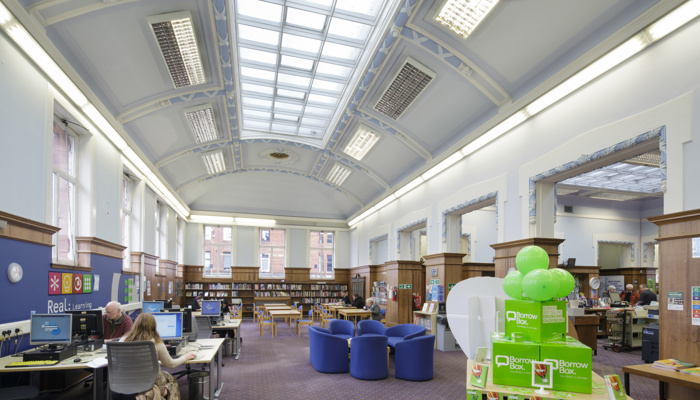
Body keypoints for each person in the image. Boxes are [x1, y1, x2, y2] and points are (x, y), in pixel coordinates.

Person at [121, 313, 196, 400]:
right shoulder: (156, 342)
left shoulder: (123, 340)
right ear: (153, 326)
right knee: (172, 380)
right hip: (149, 384)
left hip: (125, 383)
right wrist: (185, 357)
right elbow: (171, 365)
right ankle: (162, 393)